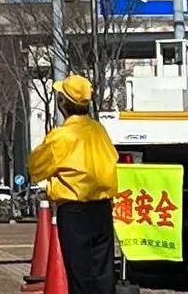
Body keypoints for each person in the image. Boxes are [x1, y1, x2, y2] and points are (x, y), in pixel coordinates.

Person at [28, 74, 118, 294]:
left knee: (80, 278)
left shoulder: (62, 137)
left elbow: (35, 168)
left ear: (62, 104)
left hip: (75, 211)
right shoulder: (99, 132)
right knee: (104, 277)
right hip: (103, 209)